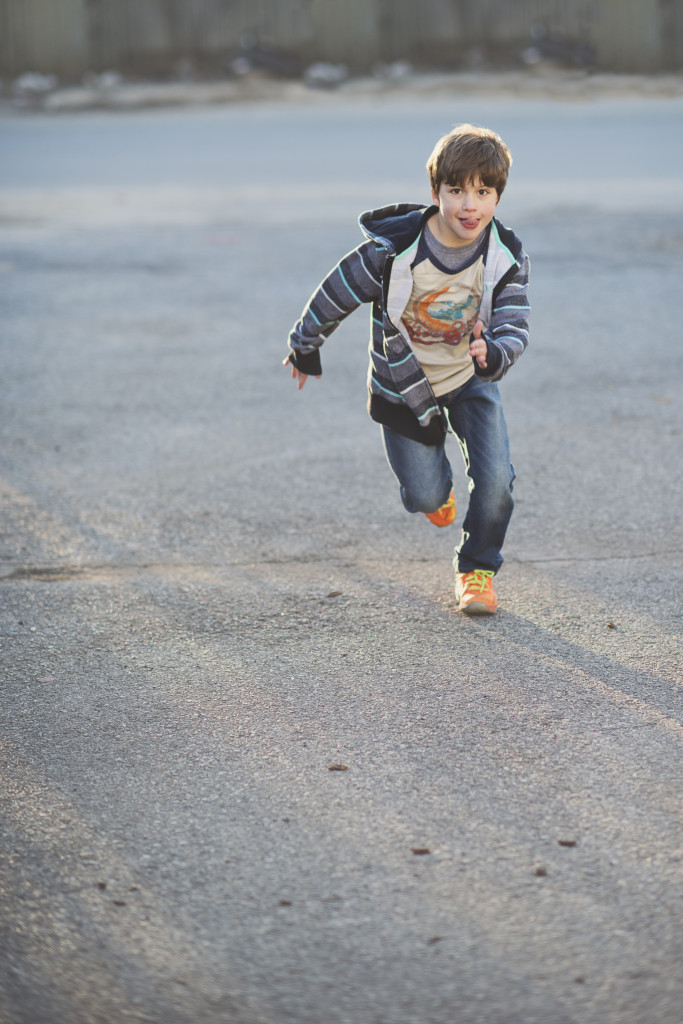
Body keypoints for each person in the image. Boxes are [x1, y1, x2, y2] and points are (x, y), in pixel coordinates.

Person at [284, 123, 530, 614]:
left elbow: (515, 320)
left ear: (498, 198)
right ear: (434, 192)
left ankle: (476, 571)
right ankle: (434, 497)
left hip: (468, 381)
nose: (468, 205)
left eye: (483, 192)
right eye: (456, 190)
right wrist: (305, 345)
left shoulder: (504, 256)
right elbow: (337, 291)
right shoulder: (392, 252)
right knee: (423, 494)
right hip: (404, 386)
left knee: (497, 481)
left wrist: (495, 352)